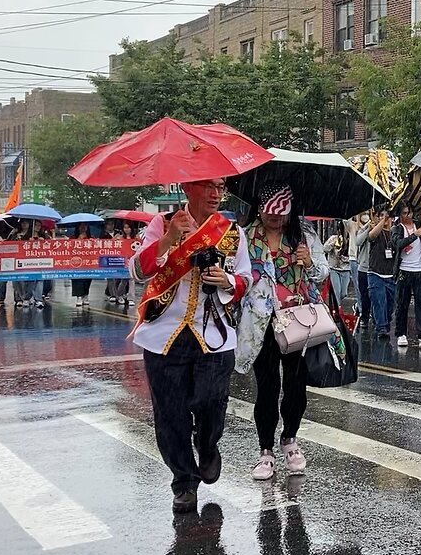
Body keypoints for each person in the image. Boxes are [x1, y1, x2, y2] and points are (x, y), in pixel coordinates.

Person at [130, 177, 250, 513]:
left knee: (212, 400)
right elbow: (138, 270)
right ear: (187, 188)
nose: (215, 193)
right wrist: (169, 240)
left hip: (213, 333)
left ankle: (208, 445)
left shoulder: (231, 232)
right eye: (207, 186)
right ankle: (184, 482)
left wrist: (227, 280)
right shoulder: (162, 224)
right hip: (164, 335)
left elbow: (246, 277)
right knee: (170, 415)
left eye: (220, 187)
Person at [235, 185, 328, 480]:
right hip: (261, 323)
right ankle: (265, 450)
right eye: (269, 214)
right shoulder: (246, 236)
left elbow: (322, 272)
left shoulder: (304, 235)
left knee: (296, 386)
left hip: (298, 320)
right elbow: (236, 275)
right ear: (260, 209)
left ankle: (290, 439)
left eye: (281, 214)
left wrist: (309, 261)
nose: (275, 220)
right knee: (267, 386)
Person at [391, 201, 421, 348]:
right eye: (404, 213)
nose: (408, 216)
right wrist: (413, 236)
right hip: (404, 270)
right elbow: (397, 244)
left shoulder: (419, 224)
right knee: (402, 304)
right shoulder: (397, 228)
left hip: (420, 269)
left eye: (409, 212)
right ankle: (401, 333)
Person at [362, 206, 397, 340]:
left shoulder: (394, 233)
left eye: (387, 216)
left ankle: (383, 323)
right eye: (381, 215)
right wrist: (382, 221)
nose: (385, 218)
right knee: (379, 301)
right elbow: (371, 236)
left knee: (389, 306)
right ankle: (381, 328)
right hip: (375, 274)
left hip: (390, 275)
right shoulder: (375, 231)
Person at [347, 211, 373, 329]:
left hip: (369, 263)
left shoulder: (373, 225)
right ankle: (363, 312)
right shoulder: (353, 225)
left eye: (367, 213)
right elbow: (345, 220)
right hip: (355, 259)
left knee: (369, 291)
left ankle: (362, 307)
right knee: (360, 288)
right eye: (363, 213)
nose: (365, 215)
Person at [9, 219, 38, 308]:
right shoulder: (15, 234)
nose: (24, 224)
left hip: (29, 260)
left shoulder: (33, 235)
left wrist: (34, 242)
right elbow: (9, 244)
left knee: (30, 279)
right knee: (17, 279)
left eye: (26, 223)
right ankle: (18, 298)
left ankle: (27, 298)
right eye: (23, 223)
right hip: (17, 259)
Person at [323, 223, 350, 300]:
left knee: (343, 293)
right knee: (336, 292)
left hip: (346, 269)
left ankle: (337, 306)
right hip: (334, 269)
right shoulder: (333, 238)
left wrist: (343, 258)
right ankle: (337, 309)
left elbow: (353, 255)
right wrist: (333, 244)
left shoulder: (350, 240)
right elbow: (324, 249)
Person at [70, 223, 95, 307]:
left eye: (85, 226)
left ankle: (85, 295)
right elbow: (69, 247)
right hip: (76, 262)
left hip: (88, 262)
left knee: (87, 279)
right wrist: (79, 239)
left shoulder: (91, 237)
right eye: (81, 226)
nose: (83, 228)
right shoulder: (73, 237)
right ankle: (79, 296)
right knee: (78, 279)